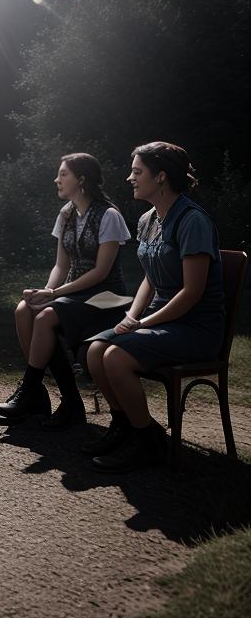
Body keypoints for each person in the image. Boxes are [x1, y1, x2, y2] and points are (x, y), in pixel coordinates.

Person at [83, 142, 223, 472]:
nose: (130, 177)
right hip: (161, 321)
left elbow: (191, 292)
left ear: (160, 177)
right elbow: (149, 279)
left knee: (115, 358)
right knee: (94, 351)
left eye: (136, 171)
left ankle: (147, 442)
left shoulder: (192, 221)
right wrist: (133, 315)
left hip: (195, 328)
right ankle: (127, 428)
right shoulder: (148, 219)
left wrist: (144, 324)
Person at [0, 153, 130, 428]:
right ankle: (59, 400)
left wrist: (55, 295)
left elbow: (101, 272)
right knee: (24, 310)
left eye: (63, 174)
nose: (57, 180)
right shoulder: (67, 214)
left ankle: (32, 391)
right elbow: (61, 264)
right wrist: (46, 291)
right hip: (74, 294)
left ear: (81, 179)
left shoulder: (109, 215)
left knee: (46, 318)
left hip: (108, 296)